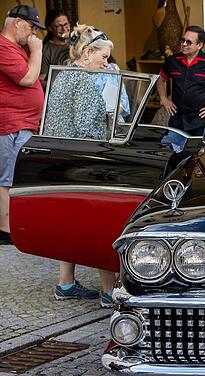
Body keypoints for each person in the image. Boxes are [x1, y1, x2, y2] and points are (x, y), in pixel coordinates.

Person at [43, 24, 118, 305]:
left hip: (62, 160)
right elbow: (88, 132)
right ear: (88, 53)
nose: (106, 62)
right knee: (100, 224)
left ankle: (65, 283)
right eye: (104, 57)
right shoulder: (84, 83)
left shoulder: (64, 75)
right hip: (81, 163)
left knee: (69, 223)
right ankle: (110, 290)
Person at [0, 5, 44, 246]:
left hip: (22, 123)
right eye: (31, 26)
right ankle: (5, 232)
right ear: (17, 22)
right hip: (9, 124)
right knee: (6, 179)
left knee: (16, 178)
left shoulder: (13, 47)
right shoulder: (2, 46)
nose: (32, 34)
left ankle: (12, 226)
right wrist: (36, 50)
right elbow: (27, 79)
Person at [156, 26, 205, 137]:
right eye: (183, 40)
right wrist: (164, 99)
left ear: (199, 45)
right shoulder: (173, 61)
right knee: (174, 151)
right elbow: (160, 79)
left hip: (201, 121)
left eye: (189, 42)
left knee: (199, 153)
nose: (184, 44)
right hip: (177, 120)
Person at [39, 9, 69, 86]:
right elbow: (40, 80)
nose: (64, 29)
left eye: (66, 24)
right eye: (59, 26)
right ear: (50, 28)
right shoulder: (46, 50)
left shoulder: (76, 42)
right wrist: (57, 87)